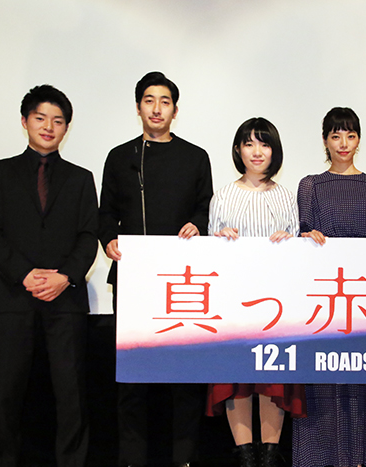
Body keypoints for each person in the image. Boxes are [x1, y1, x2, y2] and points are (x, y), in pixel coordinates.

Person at [0, 85, 98, 467]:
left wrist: (66, 276)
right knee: (6, 393)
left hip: (66, 300)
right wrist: (24, 274)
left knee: (72, 394)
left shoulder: (81, 178)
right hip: (13, 297)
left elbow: (88, 236)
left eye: (58, 121)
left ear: (67, 128)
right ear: (25, 121)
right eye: (40, 118)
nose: (48, 126)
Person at [98, 71, 213, 467]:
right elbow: (106, 213)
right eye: (149, 100)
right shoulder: (120, 157)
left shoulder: (195, 157)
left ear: (175, 110)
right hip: (134, 280)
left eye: (165, 101)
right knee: (133, 380)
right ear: (138, 108)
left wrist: (198, 224)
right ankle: (132, 459)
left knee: (185, 378)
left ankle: (184, 458)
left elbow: (205, 207)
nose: (157, 108)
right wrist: (108, 240)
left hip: (183, 282)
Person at [292, 107, 366, 467]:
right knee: (326, 378)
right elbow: (303, 231)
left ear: (358, 140)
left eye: (351, 135)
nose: (343, 143)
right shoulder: (310, 184)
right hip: (326, 300)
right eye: (336, 135)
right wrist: (306, 237)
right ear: (325, 140)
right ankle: (326, 457)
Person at [205, 117, 306, 467]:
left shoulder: (284, 196)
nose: (257, 151)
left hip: (276, 306)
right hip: (233, 304)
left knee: (272, 379)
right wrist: (219, 240)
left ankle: (270, 455)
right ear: (238, 150)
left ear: (274, 151)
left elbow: (298, 252)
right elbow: (209, 254)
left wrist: (291, 242)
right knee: (239, 379)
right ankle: (246, 456)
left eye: (264, 144)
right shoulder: (224, 195)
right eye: (249, 144)